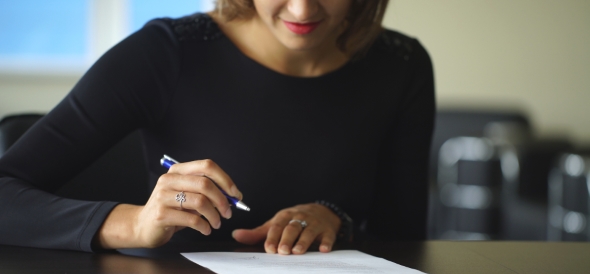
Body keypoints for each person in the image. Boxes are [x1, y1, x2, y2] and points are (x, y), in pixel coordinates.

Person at [0, 0, 435, 254]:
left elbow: (408, 241)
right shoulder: (165, 54)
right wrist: (133, 223)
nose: (302, 8)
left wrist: (337, 223)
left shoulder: (402, 66)